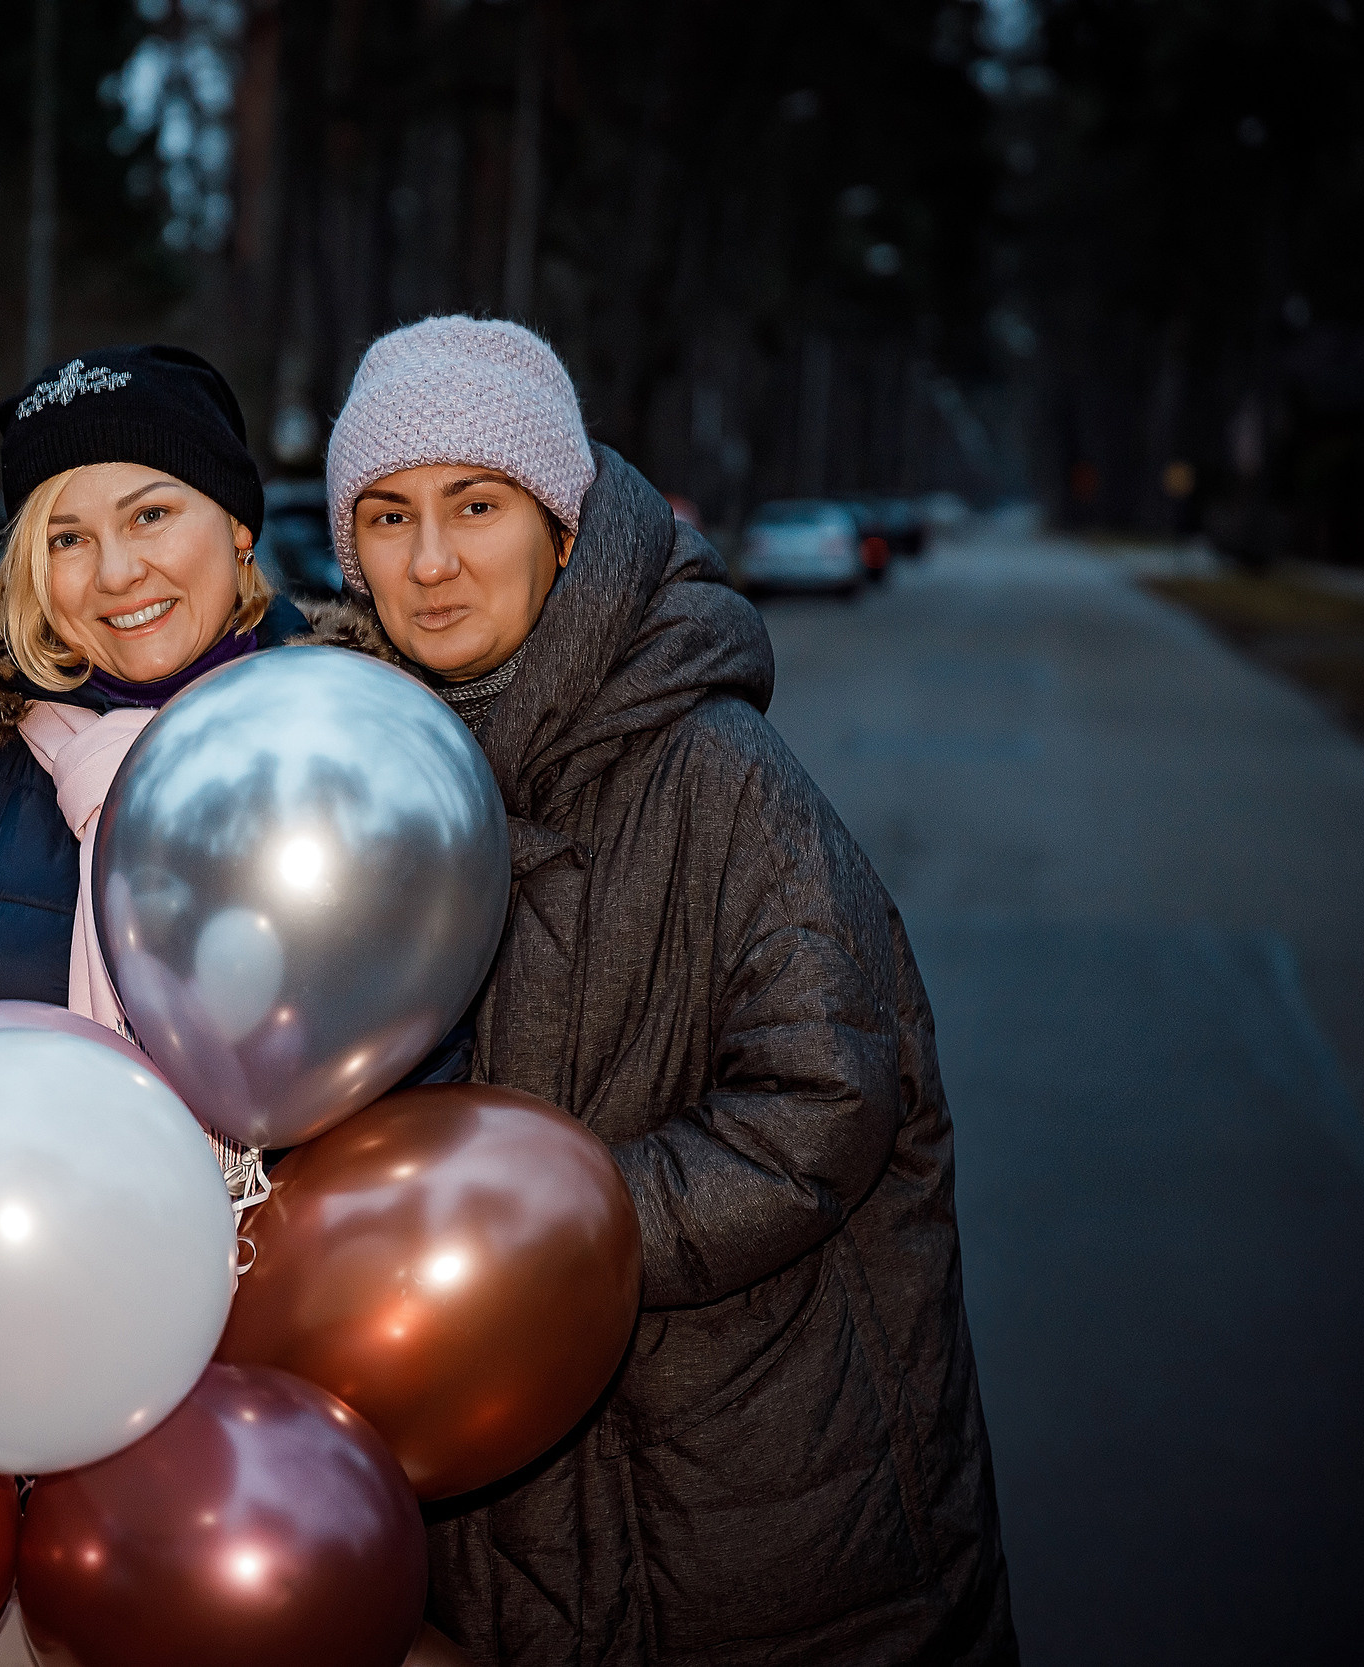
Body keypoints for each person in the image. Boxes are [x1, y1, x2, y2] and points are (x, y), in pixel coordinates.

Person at [319, 317, 1017, 1664]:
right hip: (500, 1512)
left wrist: (554, 1234)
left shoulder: (720, 771)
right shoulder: (360, 783)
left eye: (477, 505)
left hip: (758, 1505)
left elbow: (827, 1093)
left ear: (564, 529)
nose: (432, 558)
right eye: (388, 516)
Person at [0, 344, 375, 1067]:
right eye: (68, 538)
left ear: (238, 529)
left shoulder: (355, 763)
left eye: (151, 514)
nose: (118, 572)